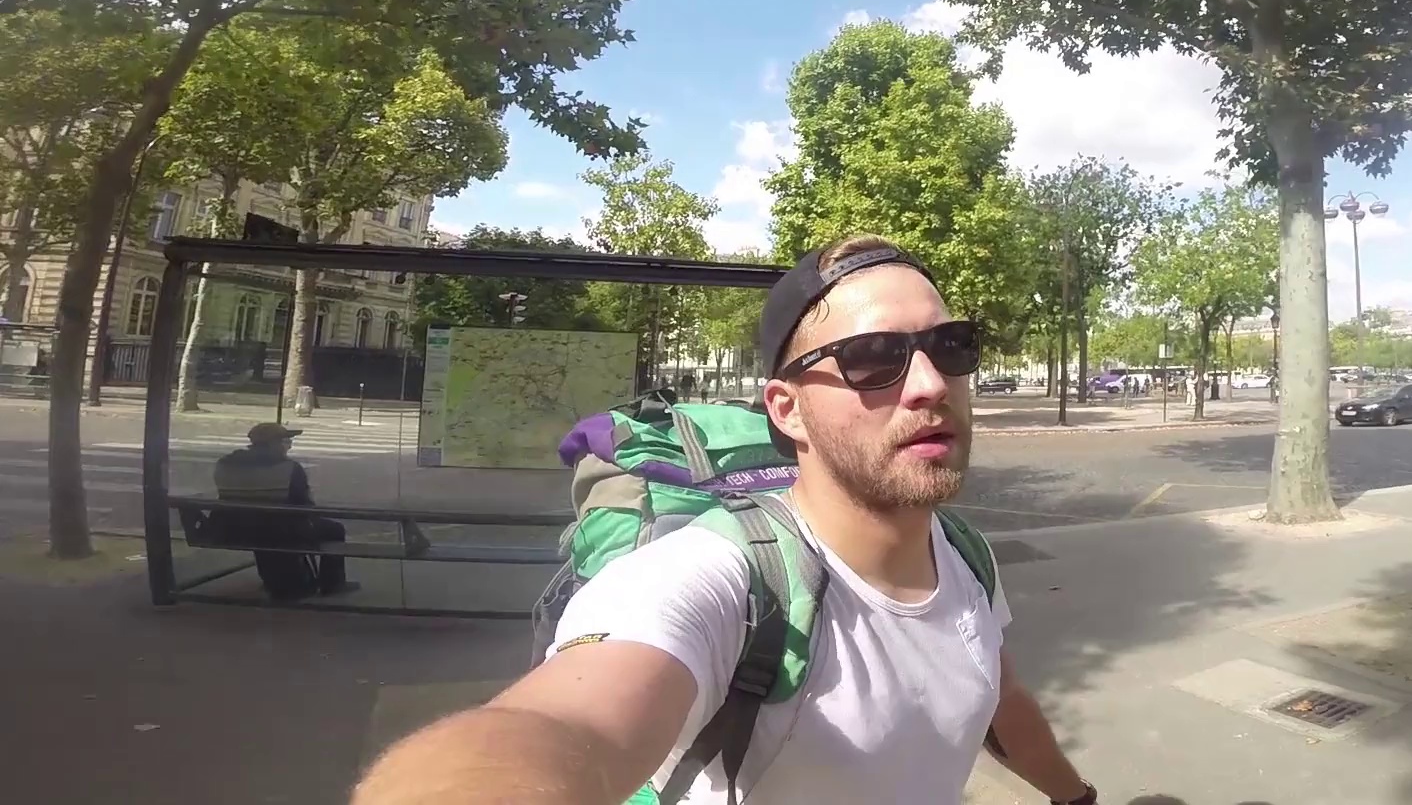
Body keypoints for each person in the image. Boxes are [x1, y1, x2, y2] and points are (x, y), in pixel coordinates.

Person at [352, 234, 1096, 805]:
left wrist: (1077, 797)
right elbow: (557, 728)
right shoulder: (718, 579)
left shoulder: (963, 554)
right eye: (874, 358)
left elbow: (999, 699)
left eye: (951, 346)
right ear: (787, 410)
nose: (931, 384)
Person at [212, 422, 357, 599]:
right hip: (280, 532)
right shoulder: (289, 468)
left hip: (232, 530)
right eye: (286, 441)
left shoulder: (225, 464)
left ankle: (274, 579)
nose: (289, 445)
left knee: (258, 522)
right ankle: (332, 584)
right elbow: (304, 506)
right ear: (274, 444)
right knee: (334, 529)